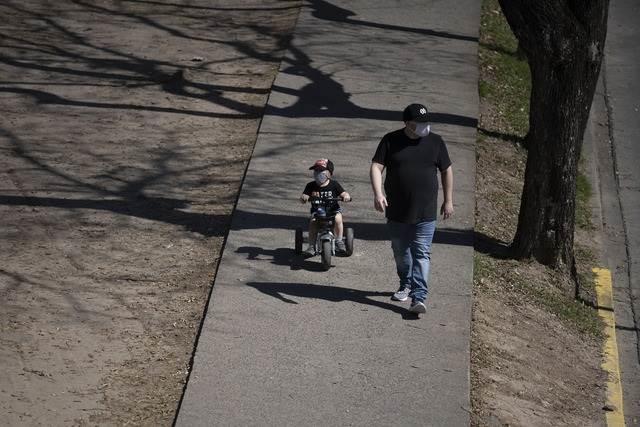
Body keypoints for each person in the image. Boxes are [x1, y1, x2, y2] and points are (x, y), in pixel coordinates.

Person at [370, 103, 454, 314]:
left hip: (426, 211)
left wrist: (448, 200)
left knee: (422, 253)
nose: (426, 126)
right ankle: (405, 283)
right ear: (408, 123)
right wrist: (378, 194)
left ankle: (419, 297)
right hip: (397, 210)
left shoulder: (436, 142)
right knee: (400, 252)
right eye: (420, 122)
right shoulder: (391, 140)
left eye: (427, 121)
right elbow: (376, 167)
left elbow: (447, 170)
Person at [300, 159, 351, 256]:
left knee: (338, 218)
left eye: (321, 171)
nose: (318, 173)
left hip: (333, 210)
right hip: (317, 212)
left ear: (329, 173)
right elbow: (303, 197)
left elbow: (343, 193)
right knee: (313, 221)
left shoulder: (334, 184)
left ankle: (339, 241)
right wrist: (304, 197)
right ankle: (311, 246)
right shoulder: (310, 186)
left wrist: (346, 196)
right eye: (316, 171)